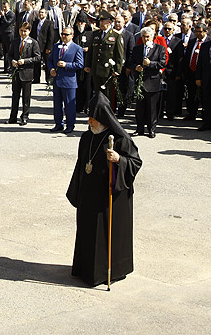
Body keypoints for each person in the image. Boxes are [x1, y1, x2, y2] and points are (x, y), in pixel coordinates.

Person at [66, 93, 141, 287]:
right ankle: (85, 269)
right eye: (89, 118)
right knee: (88, 232)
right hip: (88, 194)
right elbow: (81, 165)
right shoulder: (86, 137)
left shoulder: (120, 140)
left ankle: (109, 271)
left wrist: (119, 160)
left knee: (105, 235)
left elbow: (135, 163)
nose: (90, 122)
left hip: (109, 196)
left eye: (94, 118)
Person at [128, 26, 168, 138]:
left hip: (152, 82)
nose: (146, 39)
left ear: (152, 36)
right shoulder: (137, 49)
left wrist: (150, 64)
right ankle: (139, 128)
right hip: (140, 82)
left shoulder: (159, 48)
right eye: (144, 37)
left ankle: (151, 129)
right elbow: (131, 63)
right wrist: (136, 67)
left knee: (151, 108)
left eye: (148, 37)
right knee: (140, 108)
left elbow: (162, 63)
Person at [47, 26, 84, 133]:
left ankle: (70, 125)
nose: (64, 36)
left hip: (69, 81)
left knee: (69, 105)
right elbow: (50, 60)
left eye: (66, 34)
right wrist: (51, 69)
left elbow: (80, 64)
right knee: (57, 104)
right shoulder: (56, 46)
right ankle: (58, 123)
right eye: (62, 34)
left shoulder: (77, 48)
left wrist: (66, 65)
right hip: (57, 80)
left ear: (72, 36)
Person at [8, 22, 41, 126]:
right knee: (15, 96)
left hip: (27, 73)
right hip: (16, 73)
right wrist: (12, 61)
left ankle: (25, 117)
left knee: (26, 97)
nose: (23, 33)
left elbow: (37, 57)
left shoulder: (33, 43)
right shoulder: (15, 41)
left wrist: (25, 61)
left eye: (25, 31)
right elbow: (9, 55)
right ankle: (12, 117)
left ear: (29, 31)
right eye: (21, 31)